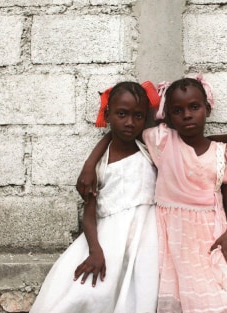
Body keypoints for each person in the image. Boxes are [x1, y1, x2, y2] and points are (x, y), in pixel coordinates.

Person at [78, 75, 227, 313]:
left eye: (194, 107)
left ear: (207, 109)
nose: (187, 115)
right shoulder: (161, 141)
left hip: (212, 232)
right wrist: (90, 164)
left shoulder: (221, 155)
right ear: (169, 117)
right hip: (174, 236)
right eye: (178, 110)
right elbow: (118, 132)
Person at [30, 81, 161, 313]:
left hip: (148, 239)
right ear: (107, 114)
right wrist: (95, 251)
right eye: (122, 114)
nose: (130, 122)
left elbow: (188, 139)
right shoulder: (99, 166)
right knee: (92, 292)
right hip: (108, 239)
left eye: (138, 116)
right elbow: (89, 214)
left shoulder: (150, 151)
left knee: (143, 292)